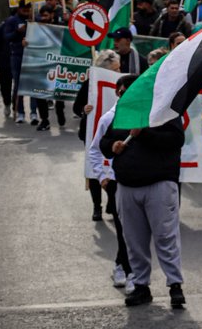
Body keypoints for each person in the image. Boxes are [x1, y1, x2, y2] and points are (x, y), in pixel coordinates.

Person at [99, 109, 187, 308]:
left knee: (165, 236)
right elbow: (104, 142)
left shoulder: (167, 113)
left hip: (159, 183)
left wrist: (144, 133)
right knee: (133, 240)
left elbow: (175, 140)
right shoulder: (124, 112)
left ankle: (175, 285)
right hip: (127, 185)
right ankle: (141, 285)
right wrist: (112, 145)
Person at [88, 73, 137, 292]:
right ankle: (128, 272)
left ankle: (120, 263)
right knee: (123, 228)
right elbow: (95, 150)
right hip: (117, 183)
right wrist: (103, 178)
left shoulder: (145, 116)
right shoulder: (108, 118)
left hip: (140, 180)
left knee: (136, 230)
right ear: (118, 92)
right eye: (124, 89)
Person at [75, 49, 121, 220]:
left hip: (112, 134)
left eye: (119, 68)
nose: (118, 72)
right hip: (91, 132)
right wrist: (84, 110)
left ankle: (112, 199)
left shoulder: (122, 84)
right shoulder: (90, 84)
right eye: (115, 69)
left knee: (112, 167)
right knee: (94, 169)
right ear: (105, 70)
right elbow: (76, 107)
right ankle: (96, 206)